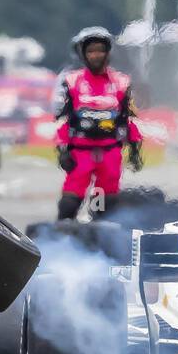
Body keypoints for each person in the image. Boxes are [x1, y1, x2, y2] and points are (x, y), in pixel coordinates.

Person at [54, 27, 142, 221]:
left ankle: (98, 227)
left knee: (104, 201)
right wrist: (62, 150)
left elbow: (128, 118)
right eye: (91, 51)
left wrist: (135, 148)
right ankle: (63, 233)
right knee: (70, 201)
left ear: (108, 53)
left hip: (109, 152)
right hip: (80, 152)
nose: (96, 55)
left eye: (100, 50)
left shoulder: (121, 82)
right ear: (83, 54)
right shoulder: (71, 82)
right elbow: (63, 119)